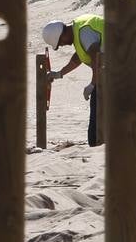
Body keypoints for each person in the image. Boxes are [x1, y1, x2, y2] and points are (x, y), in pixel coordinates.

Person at [42, 15, 104, 147]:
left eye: (61, 42)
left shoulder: (84, 32)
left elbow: (96, 58)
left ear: (62, 34)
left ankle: (98, 146)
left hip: (121, 66)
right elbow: (79, 57)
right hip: (114, 69)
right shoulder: (78, 31)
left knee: (97, 120)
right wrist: (59, 74)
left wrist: (92, 84)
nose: (63, 45)